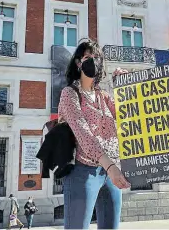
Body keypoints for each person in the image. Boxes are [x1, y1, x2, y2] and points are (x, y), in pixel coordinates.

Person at [58, 39, 130, 229]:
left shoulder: (104, 96)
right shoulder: (69, 93)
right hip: (83, 171)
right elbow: (84, 135)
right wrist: (111, 167)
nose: (93, 61)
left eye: (97, 57)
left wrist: (123, 86)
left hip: (111, 171)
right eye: (88, 57)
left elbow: (128, 120)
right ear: (78, 63)